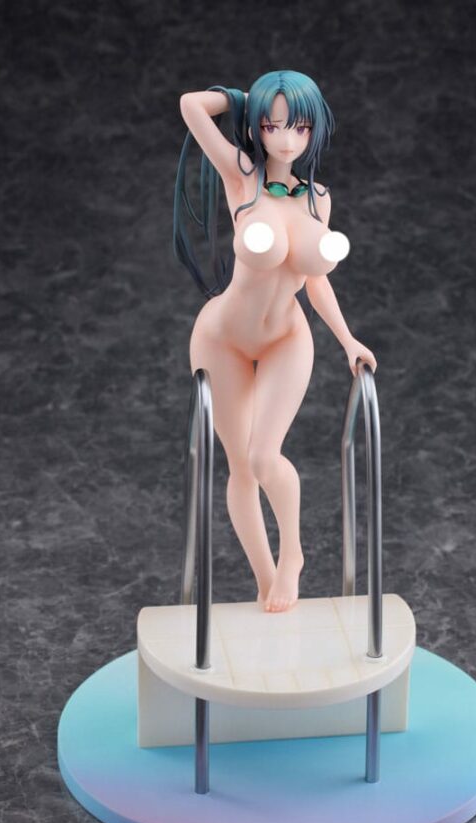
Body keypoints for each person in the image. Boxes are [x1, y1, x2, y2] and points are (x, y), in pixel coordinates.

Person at [175, 70, 376, 613]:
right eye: (272, 125)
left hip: (287, 336)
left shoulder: (319, 199)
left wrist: (347, 339)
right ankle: (265, 579)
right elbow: (191, 105)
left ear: (314, 130)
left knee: (265, 456)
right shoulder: (242, 176)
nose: (286, 139)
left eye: (299, 127)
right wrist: (244, 99)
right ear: (258, 128)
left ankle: (293, 556)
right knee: (241, 467)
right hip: (222, 338)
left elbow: (315, 281)